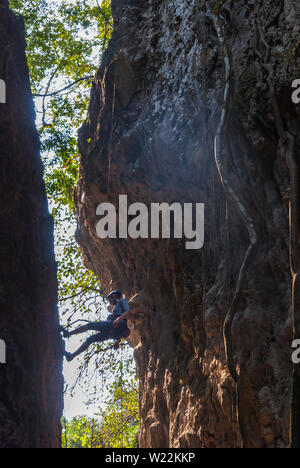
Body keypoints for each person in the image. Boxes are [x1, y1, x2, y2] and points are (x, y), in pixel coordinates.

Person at [61, 290, 130, 362]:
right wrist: (117, 342)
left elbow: (127, 312)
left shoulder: (122, 301)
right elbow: (121, 331)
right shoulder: (117, 307)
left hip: (115, 325)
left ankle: (68, 334)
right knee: (90, 339)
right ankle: (71, 356)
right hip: (115, 332)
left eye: (110, 299)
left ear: (114, 296)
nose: (110, 301)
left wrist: (118, 319)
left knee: (90, 325)